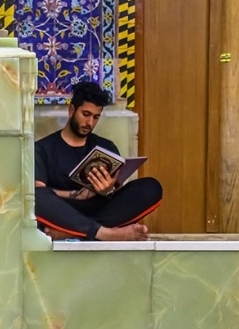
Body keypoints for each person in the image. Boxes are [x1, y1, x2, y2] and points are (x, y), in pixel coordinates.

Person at [34, 81, 162, 241]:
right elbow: (37, 190)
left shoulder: (106, 147)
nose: (90, 123)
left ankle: (72, 233)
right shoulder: (43, 148)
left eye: (96, 117)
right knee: (35, 197)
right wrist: (76, 195)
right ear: (71, 110)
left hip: (98, 209)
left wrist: (106, 190)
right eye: (86, 115)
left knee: (151, 187)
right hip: (61, 211)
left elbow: (115, 191)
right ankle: (107, 234)